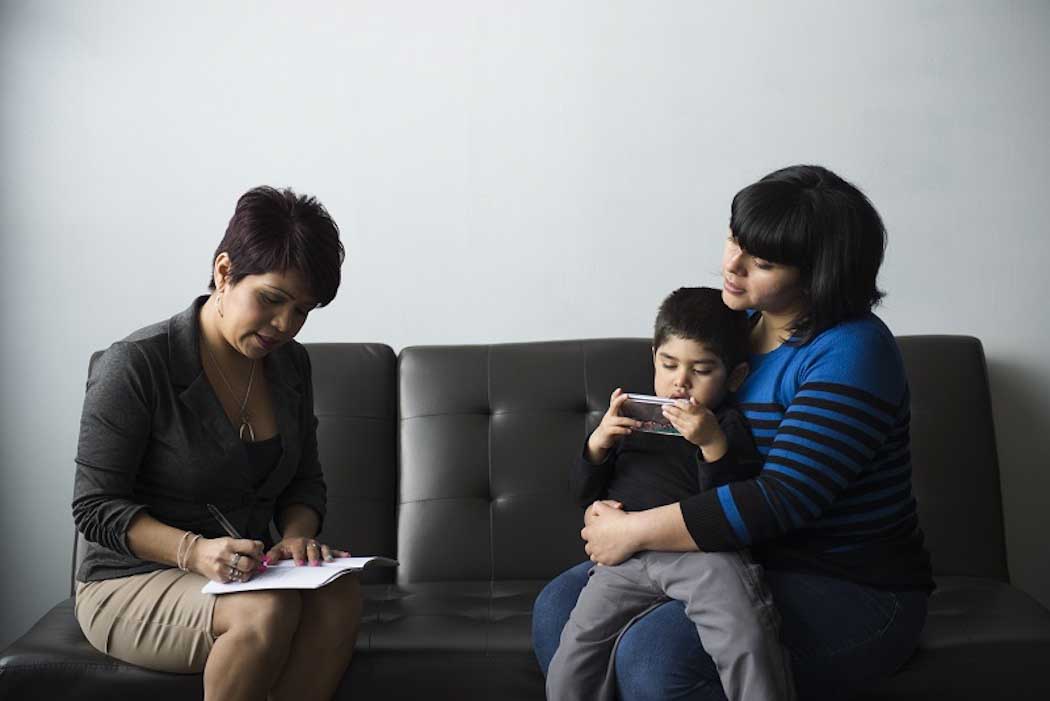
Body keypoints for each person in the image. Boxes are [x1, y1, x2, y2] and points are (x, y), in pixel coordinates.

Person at [533, 165, 934, 701]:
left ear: (818, 273)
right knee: (557, 608)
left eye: (761, 262)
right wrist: (609, 498)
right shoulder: (729, 337)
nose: (731, 265)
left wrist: (634, 531)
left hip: (849, 585)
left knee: (655, 656)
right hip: (730, 559)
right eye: (733, 240)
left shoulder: (851, 351)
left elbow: (783, 500)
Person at [72, 186, 361, 701]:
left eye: (303, 311)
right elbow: (95, 508)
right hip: (131, 580)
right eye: (272, 300)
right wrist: (194, 552)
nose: (285, 326)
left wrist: (296, 535)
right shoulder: (137, 365)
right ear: (224, 271)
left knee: (338, 595)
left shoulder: (290, 366)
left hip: (244, 576)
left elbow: (304, 482)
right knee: (265, 611)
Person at [545, 287, 795, 701]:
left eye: (701, 369)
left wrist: (712, 445)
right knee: (574, 658)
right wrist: (598, 444)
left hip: (703, 558)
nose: (680, 381)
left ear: (734, 377)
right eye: (669, 364)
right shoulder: (631, 418)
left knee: (745, 635)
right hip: (625, 562)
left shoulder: (726, 426)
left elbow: (732, 511)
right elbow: (582, 492)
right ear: (654, 358)